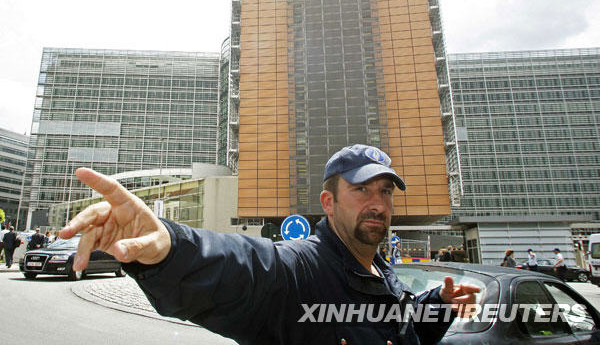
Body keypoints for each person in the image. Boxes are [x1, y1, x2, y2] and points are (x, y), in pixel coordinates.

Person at [60, 144, 480, 345]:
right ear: (328, 203)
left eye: (386, 191)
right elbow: (241, 266)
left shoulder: (383, 273)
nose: (377, 204)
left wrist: (436, 307)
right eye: (362, 190)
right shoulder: (297, 270)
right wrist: (171, 246)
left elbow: (395, 328)